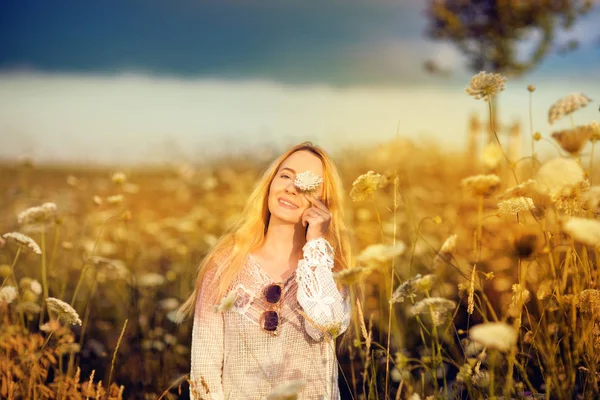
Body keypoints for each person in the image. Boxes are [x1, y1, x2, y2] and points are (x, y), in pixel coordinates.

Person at [179, 142, 354, 399]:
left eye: (308, 185)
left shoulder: (329, 269)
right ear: (270, 183)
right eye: (285, 176)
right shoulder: (225, 266)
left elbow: (327, 325)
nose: (292, 188)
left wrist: (316, 244)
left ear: (324, 204)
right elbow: (204, 371)